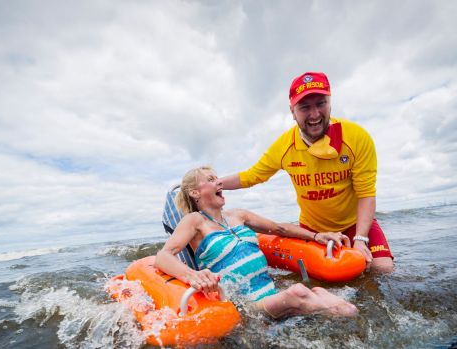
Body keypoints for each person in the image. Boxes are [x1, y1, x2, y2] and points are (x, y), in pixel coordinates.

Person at [219, 71, 394, 273]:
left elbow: (366, 193)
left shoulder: (356, 138)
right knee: (320, 280)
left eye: (320, 103)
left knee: (383, 270)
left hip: (356, 224)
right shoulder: (284, 146)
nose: (314, 114)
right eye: (304, 107)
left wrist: (361, 239)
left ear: (330, 103)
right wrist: (215, 185)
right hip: (312, 229)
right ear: (292, 111)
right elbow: (251, 176)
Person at [154, 166, 358, 318]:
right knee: (299, 292)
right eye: (210, 179)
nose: (219, 183)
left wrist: (317, 235)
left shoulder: (238, 215)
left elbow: (279, 228)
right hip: (246, 305)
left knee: (339, 304)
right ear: (195, 193)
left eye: (218, 179)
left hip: (271, 293)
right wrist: (193, 275)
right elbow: (163, 256)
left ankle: (348, 319)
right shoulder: (194, 221)